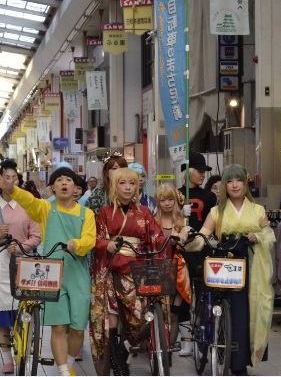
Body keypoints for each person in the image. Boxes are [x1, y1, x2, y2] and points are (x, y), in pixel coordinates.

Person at [0, 166, 96, 376]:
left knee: (78, 328)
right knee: (58, 327)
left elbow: (90, 239)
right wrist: (12, 190)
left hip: (78, 275)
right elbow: (29, 201)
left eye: (69, 180)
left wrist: (78, 243)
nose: (64, 183)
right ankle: (63, 371)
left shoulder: (87, 213)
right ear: (53, 187)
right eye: (59, 180)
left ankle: (68, 363)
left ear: (76, 186)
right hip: (52, 273)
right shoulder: (46, 209)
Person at [89, 168, 188, 376]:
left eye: (132, 183)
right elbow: (97, 238)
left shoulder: (144, 212)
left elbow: (156, 237)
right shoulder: (106, 213)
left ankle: (125, 348)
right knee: (112, 319)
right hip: (112, 270)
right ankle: (115, 358)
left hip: (138, 269)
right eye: (122, 183)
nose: (127, 187)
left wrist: (171, 239)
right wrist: (107, 244)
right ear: (115, 186)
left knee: (145, 316)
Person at [185, 164, 275, 374]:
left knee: (252, 309)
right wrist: (188, 240)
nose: (235, 185)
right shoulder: (216, 211)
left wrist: (258, 236)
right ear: (224, 185)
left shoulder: (258, 210)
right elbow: (203, 236)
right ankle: (229, 357)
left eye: (239, 180)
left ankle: (242, 360)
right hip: (227, 262)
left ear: (245, 183)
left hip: (252, 263)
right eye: (230, 181)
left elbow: (270, 236)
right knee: (233, 309)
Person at [0, 160, 42, 374]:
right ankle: (6, 359)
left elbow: (37, 237)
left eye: (14, 177)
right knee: (2, 315)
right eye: (6, 177)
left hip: (25, 264)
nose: (10, 181)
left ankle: (24, 350)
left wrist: (21, 248)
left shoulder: (30, 206)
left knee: (25, 312)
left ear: (19, 181)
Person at [177, 151, 216, 356]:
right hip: (181, 252)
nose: (203, 175)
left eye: (204, 171)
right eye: (199, 171)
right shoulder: (176, 194)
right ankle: (186, 341)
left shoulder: (209, 196)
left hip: (203, 251)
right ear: (188, 172)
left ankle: (202, 340)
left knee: (203, 296)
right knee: (183, 296)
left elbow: (215, 222)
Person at [154, 183, 192, 354]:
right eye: (163, 200)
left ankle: (169, 349)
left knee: (175, 312)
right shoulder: (154, 221)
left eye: (170, 199)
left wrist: (186, 234)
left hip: (179, 270)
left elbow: (188, 245)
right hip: (160, 268)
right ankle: (161, 345)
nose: (167, 203)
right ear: (158, 202)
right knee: (162, 312)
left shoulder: (182, 220)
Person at [86, 151, 128, 217]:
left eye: (122, 168)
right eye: (114, 168)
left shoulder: (130, 194)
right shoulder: (97, 196)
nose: (119, 172)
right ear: (106, 173)